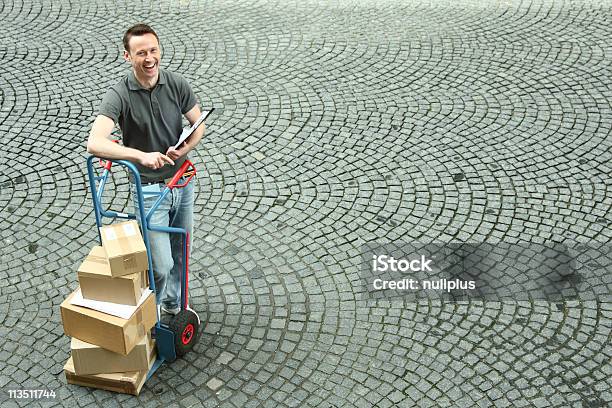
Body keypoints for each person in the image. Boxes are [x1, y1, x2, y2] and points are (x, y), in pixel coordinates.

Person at [87, 23, 204, 316]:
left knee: (181, 251)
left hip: (181, 182)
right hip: (150, 191)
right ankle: (149, 319)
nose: (149, 58)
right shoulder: (119, 94)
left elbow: (198, 124)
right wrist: (140, 156)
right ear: (128, 56)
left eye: (153, 50)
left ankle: (175, 309)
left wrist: (185, 148)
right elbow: (95, 143)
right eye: (141, 53)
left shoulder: (177, 83)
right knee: (161, 264)